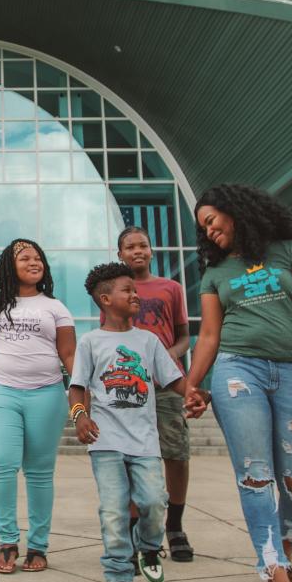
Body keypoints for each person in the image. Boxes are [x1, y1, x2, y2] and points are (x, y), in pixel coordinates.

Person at [183, 184, 292, 582]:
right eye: (203, 227)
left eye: (212, 220)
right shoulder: (215, 273)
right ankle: (275, 573)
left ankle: (284, 549)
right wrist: (193, 385)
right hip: (237, 369)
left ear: (237, 212)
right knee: (254, 475)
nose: (209, 231)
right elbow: (209, 335)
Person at [0, 238, 75, 574]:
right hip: (3, 395)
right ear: (10, 265)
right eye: (25, 258)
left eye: (39, 258)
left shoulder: (56, 307)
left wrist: (82, 394)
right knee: (2, 464)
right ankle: (7, 542)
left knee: (38, 473)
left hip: (47, 395)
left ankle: (38, 545)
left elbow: (68, 355)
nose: (34, 262)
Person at [70, 262, 184, 582]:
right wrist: (80, 417)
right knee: (114, 509)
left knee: (152, 500)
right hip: (105, 441)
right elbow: (76, 387)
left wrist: (193, 394)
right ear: (105, 299)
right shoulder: (90, 341)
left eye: (135, 290)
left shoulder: (148, 341)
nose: (136, 296)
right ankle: (119, 574)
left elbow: (173, 379)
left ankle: (149, 548)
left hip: (145, 441)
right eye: (128, 291)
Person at [116, 226, 194, 561]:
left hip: (166, 386)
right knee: (130, 458)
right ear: (120, 253)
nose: (137, 251)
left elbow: (183, 336)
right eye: (130, 247)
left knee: (175, 453)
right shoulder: (115, 291)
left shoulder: (171, 288)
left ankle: (174, 525)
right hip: (130, 389)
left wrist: (169, 356)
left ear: (151, 250)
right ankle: (136, 529)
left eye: (142, 246)